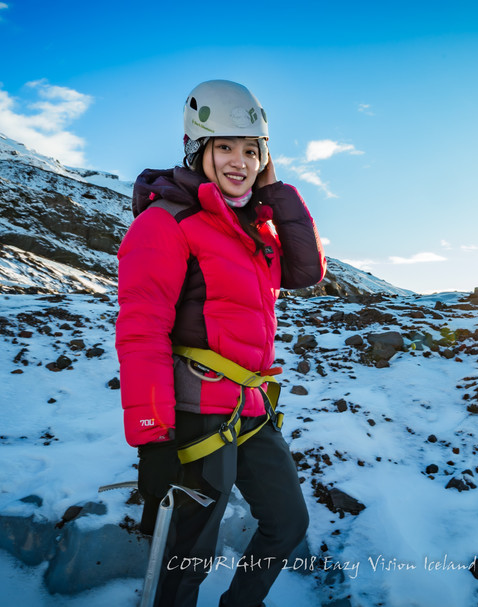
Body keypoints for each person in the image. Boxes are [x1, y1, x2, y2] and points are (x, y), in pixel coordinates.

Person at [115, 80, 326, 607]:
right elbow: (141, 331)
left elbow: (305, 271)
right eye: (226, 147)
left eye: (252, 151)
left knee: (288, 522)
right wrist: (152, 437)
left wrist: (276, 194)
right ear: (197, 149)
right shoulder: (166, 223)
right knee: (190, 553)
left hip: (249, 405)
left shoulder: (250, 228)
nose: (241, 162)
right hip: (196, 409)